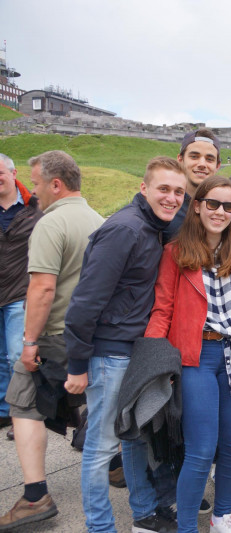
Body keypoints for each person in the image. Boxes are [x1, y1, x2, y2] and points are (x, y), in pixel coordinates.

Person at [63, 156, 186, 533]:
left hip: (134, 351)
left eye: (178, 191)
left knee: (133, 437)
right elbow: (85, 301)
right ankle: (99, 526)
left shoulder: (152, 228)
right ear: (143, 188)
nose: (172, 197)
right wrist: (77, 365)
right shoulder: (125, 229)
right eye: (163, 189)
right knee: (101, 449)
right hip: (108, 354)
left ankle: (143, 515)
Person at [145, 175, 231, 533]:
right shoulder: (176, 253)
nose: (220, 211)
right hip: (196, 358)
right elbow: (162, 310)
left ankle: (222, 517)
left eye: (228, 206)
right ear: (197, 206)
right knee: (201, 449)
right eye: (212, 203)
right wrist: (155, 363)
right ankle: (186, 527)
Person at [0, 151, 103, 530]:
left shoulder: (49, 223)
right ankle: (116, 465)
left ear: (56, 184)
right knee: (86, 404)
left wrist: (29, 342)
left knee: (22, 403)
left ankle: (34, 496)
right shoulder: (98, 221)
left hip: (53, 335)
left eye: (39, 183)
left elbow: (42, 288)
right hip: (89, 337)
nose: (36, 191)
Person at [0, 153, 42, 432]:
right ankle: (5, 411)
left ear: (14, 174)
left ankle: (24, 413)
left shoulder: (34, 207)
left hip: (19, 293)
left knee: (19, 355)